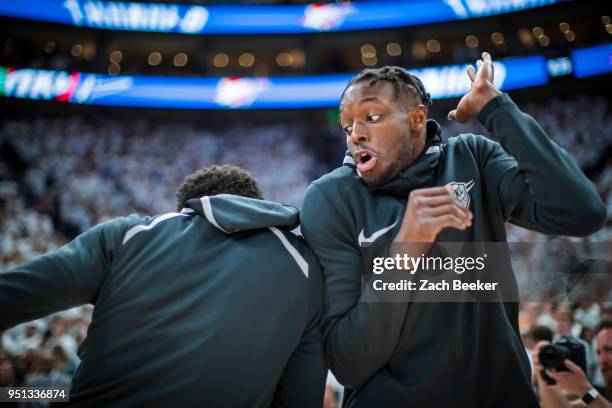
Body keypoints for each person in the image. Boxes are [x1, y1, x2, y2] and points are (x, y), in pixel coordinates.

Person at [300, 52, 606, 407]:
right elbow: (349, 362)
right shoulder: (330, 197)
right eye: (347, 125)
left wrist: (497, 109)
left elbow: (582, 212)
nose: (356, 135)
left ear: (416, 118)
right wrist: (404, 252)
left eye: (371, 117)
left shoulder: (472, 158)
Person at [0, 165, 326, 407]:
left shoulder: (128, 235)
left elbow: (12, 295)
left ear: (185, 210)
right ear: (256, 208)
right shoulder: (306, 269)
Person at [533, 320, 612, 407]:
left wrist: (583, 389)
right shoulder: (597, 392)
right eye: (598, 353)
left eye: (609, 350)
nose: (602, 360)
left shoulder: (590, 391)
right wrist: (543, 375)